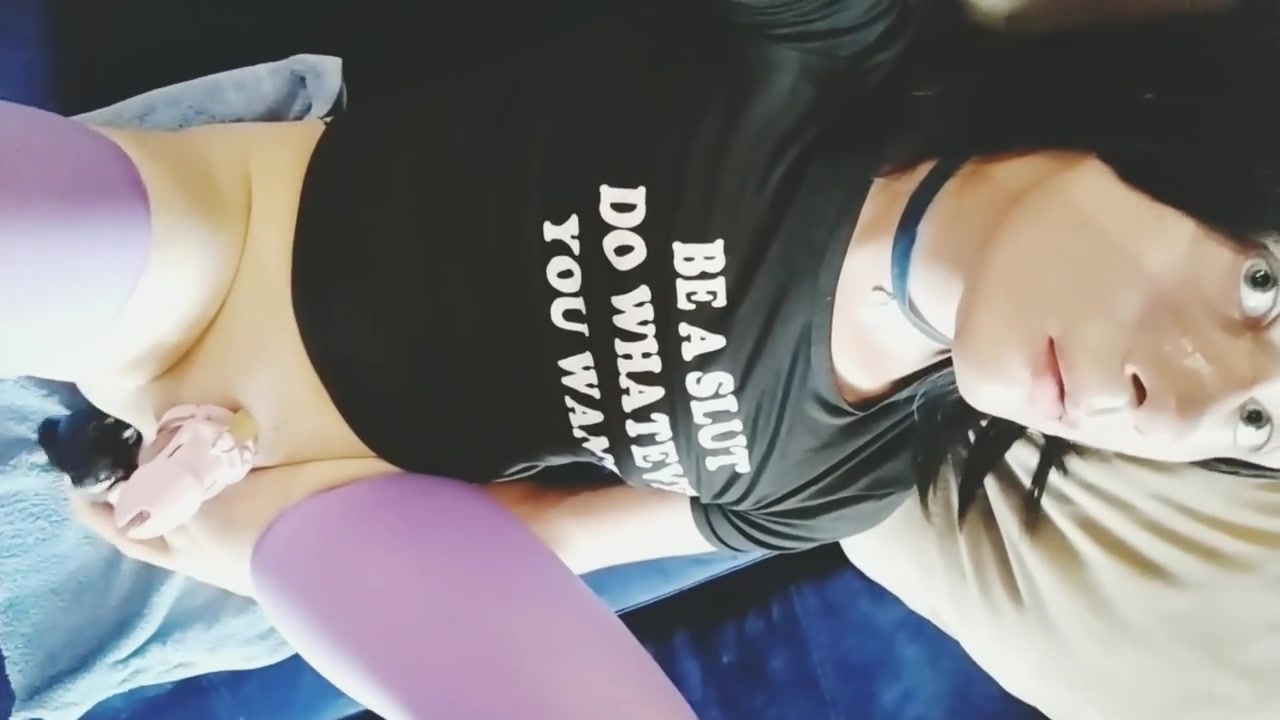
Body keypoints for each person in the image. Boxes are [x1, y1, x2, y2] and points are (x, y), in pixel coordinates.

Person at [19, 0, 1280, 593]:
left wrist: (257, 554)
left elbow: (546, 543)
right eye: (1262, 287)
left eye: (1255, 426)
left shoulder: (847, 480)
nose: (1172, 407)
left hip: (312, 485)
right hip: (235, 229)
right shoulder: (841, 42)